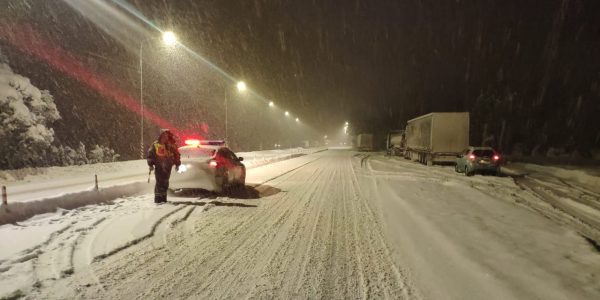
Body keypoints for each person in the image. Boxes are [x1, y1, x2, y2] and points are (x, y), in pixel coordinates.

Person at [147, 129, 181, 203]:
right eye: (163, 136)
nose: (165, 137)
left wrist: (177, 164)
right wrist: (151, 164)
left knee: (165, 182)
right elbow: (150, 155)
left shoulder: (171, 145)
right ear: (160, 136)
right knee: (159, 182)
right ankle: (158, 199)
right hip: (159, 167)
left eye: (166, 136)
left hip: (168, 167)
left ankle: (163, 198)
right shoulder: (155, 144)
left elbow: (177, 155)